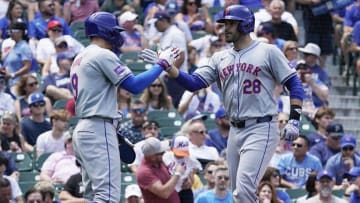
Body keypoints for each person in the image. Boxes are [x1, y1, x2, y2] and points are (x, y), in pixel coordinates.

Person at [140, 4, 304, 202]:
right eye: (224, 24)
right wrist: (168, 68)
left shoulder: (268, 51)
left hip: (261, 126)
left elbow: (294, 83)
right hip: (235, 129)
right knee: (238, 194)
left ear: (244, 25)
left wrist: (294, 119)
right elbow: (194, 83)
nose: (225, 28)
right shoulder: (219, 57)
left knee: (243, 191)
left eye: (231, 23)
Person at [69, 11, 179, 203]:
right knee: (107, 197)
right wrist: (162, 63)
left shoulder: (81, 56)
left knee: (92, 196)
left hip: (85, 128)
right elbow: (134, 86)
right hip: (98, 127)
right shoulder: (102, 54)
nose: (118, 36)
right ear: (106, 31)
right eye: (115, 31)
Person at [136, 137, 185, 203]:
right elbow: (164, 193)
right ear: (153, 157)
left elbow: (170, 183)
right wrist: (177, 174)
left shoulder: (160, 162)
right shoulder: (144, 172)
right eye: (162, 153)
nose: (164, 154)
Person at [162, 135, 202, 203]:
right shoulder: (166, 156)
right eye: (178, 152)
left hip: (184, 188)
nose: (181, 155)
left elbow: (198, 168)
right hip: (170, 188)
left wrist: (191, 177)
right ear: (172, 148)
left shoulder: (190, 158)